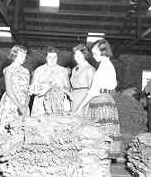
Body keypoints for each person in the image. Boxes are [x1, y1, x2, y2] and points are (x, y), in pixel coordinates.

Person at [74, 39, 121, 173]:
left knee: (101, 138)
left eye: (95, 53)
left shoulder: (104, 67)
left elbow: (93, 91)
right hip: (105, 100)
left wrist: (80, 107)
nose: (93, 55)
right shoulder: (106, 65)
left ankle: (104, 172)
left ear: (103, 52)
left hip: (101, 102)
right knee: (104, 138)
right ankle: (103, 171)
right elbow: (113, 85)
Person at [0, 45, 30, 146]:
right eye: (21, 55)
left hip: (23, 102)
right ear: (14, 56)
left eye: (24, 55)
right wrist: (19, 106)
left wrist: (25, 105)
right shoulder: (9, 69)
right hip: (11, 102)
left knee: (22, 131)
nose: (23, 58)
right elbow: (9, 90)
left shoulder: (26, 71)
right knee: (9, 130)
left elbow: (28, 91)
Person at [31, 46, 71, 116]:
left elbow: (68, 87)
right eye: (49, 57)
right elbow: (32, 87)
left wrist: (61, 93)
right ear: (46, 58)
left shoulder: (63, 70)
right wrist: (38, 90)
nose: (52, 59)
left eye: (54, 57)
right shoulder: (39, 70)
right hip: (40, 103)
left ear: (57, 58)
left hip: (58, 102)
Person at [70, 44, 95, 113]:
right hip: (73, 97)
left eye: (78, 56)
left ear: (84, 55)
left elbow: (92, 90)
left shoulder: (89, 69)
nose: (76, 58)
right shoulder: (74, 69)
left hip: (83, 99)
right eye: (75, 56)